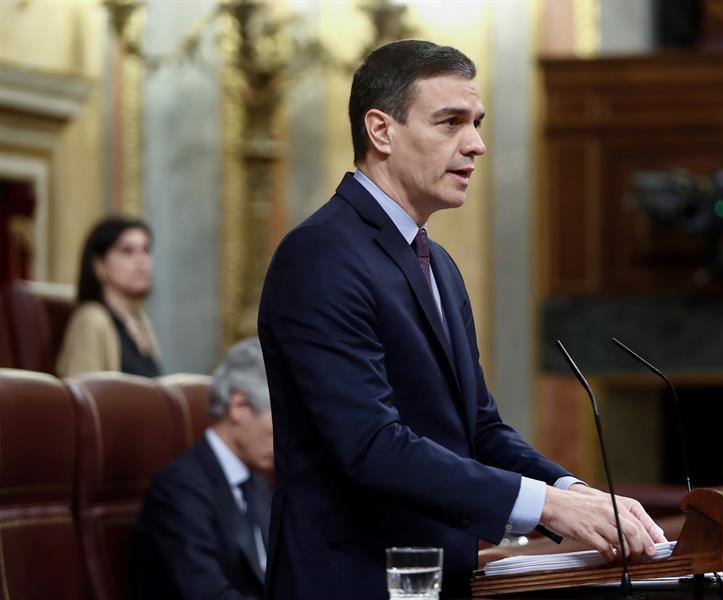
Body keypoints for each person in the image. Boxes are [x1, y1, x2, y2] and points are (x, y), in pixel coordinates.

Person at [258, 39, 666, 599]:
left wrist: (574, 492)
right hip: (352, 580)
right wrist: (547, 505)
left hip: (436, 579)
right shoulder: (321, 254)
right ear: (381, 132)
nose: (475, 145)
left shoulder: (437, 263)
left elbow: (478, 429)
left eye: (475, 123)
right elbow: (371, 446)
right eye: (449, 122)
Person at [131, 337, 274, 600]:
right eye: (280, 420)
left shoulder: (258, 481)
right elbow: (205, 593)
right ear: (239, 406)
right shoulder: (179, 490)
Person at [56, 216, 161, 377]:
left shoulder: (142, 322)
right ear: (100, 266)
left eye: (146, 250)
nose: (142, 261)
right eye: (127, 251)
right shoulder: (91, 319)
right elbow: (82, 394)